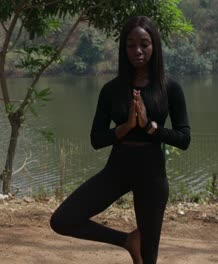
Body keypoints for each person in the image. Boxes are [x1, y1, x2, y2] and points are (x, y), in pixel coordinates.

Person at [50, 16, 191, 264]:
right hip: (118, 168)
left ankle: (140, 245)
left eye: (144, 44)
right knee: (63, 219)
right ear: (123, 49)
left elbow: (184, 138)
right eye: (131, 45)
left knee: (148, 258)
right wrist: (126, 127)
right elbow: (96, 139)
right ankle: (127, 240)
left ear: (154, 46)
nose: (137, 50)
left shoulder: (169, 88)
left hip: (152, 173)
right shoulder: (111, 90)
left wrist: (150, 127)